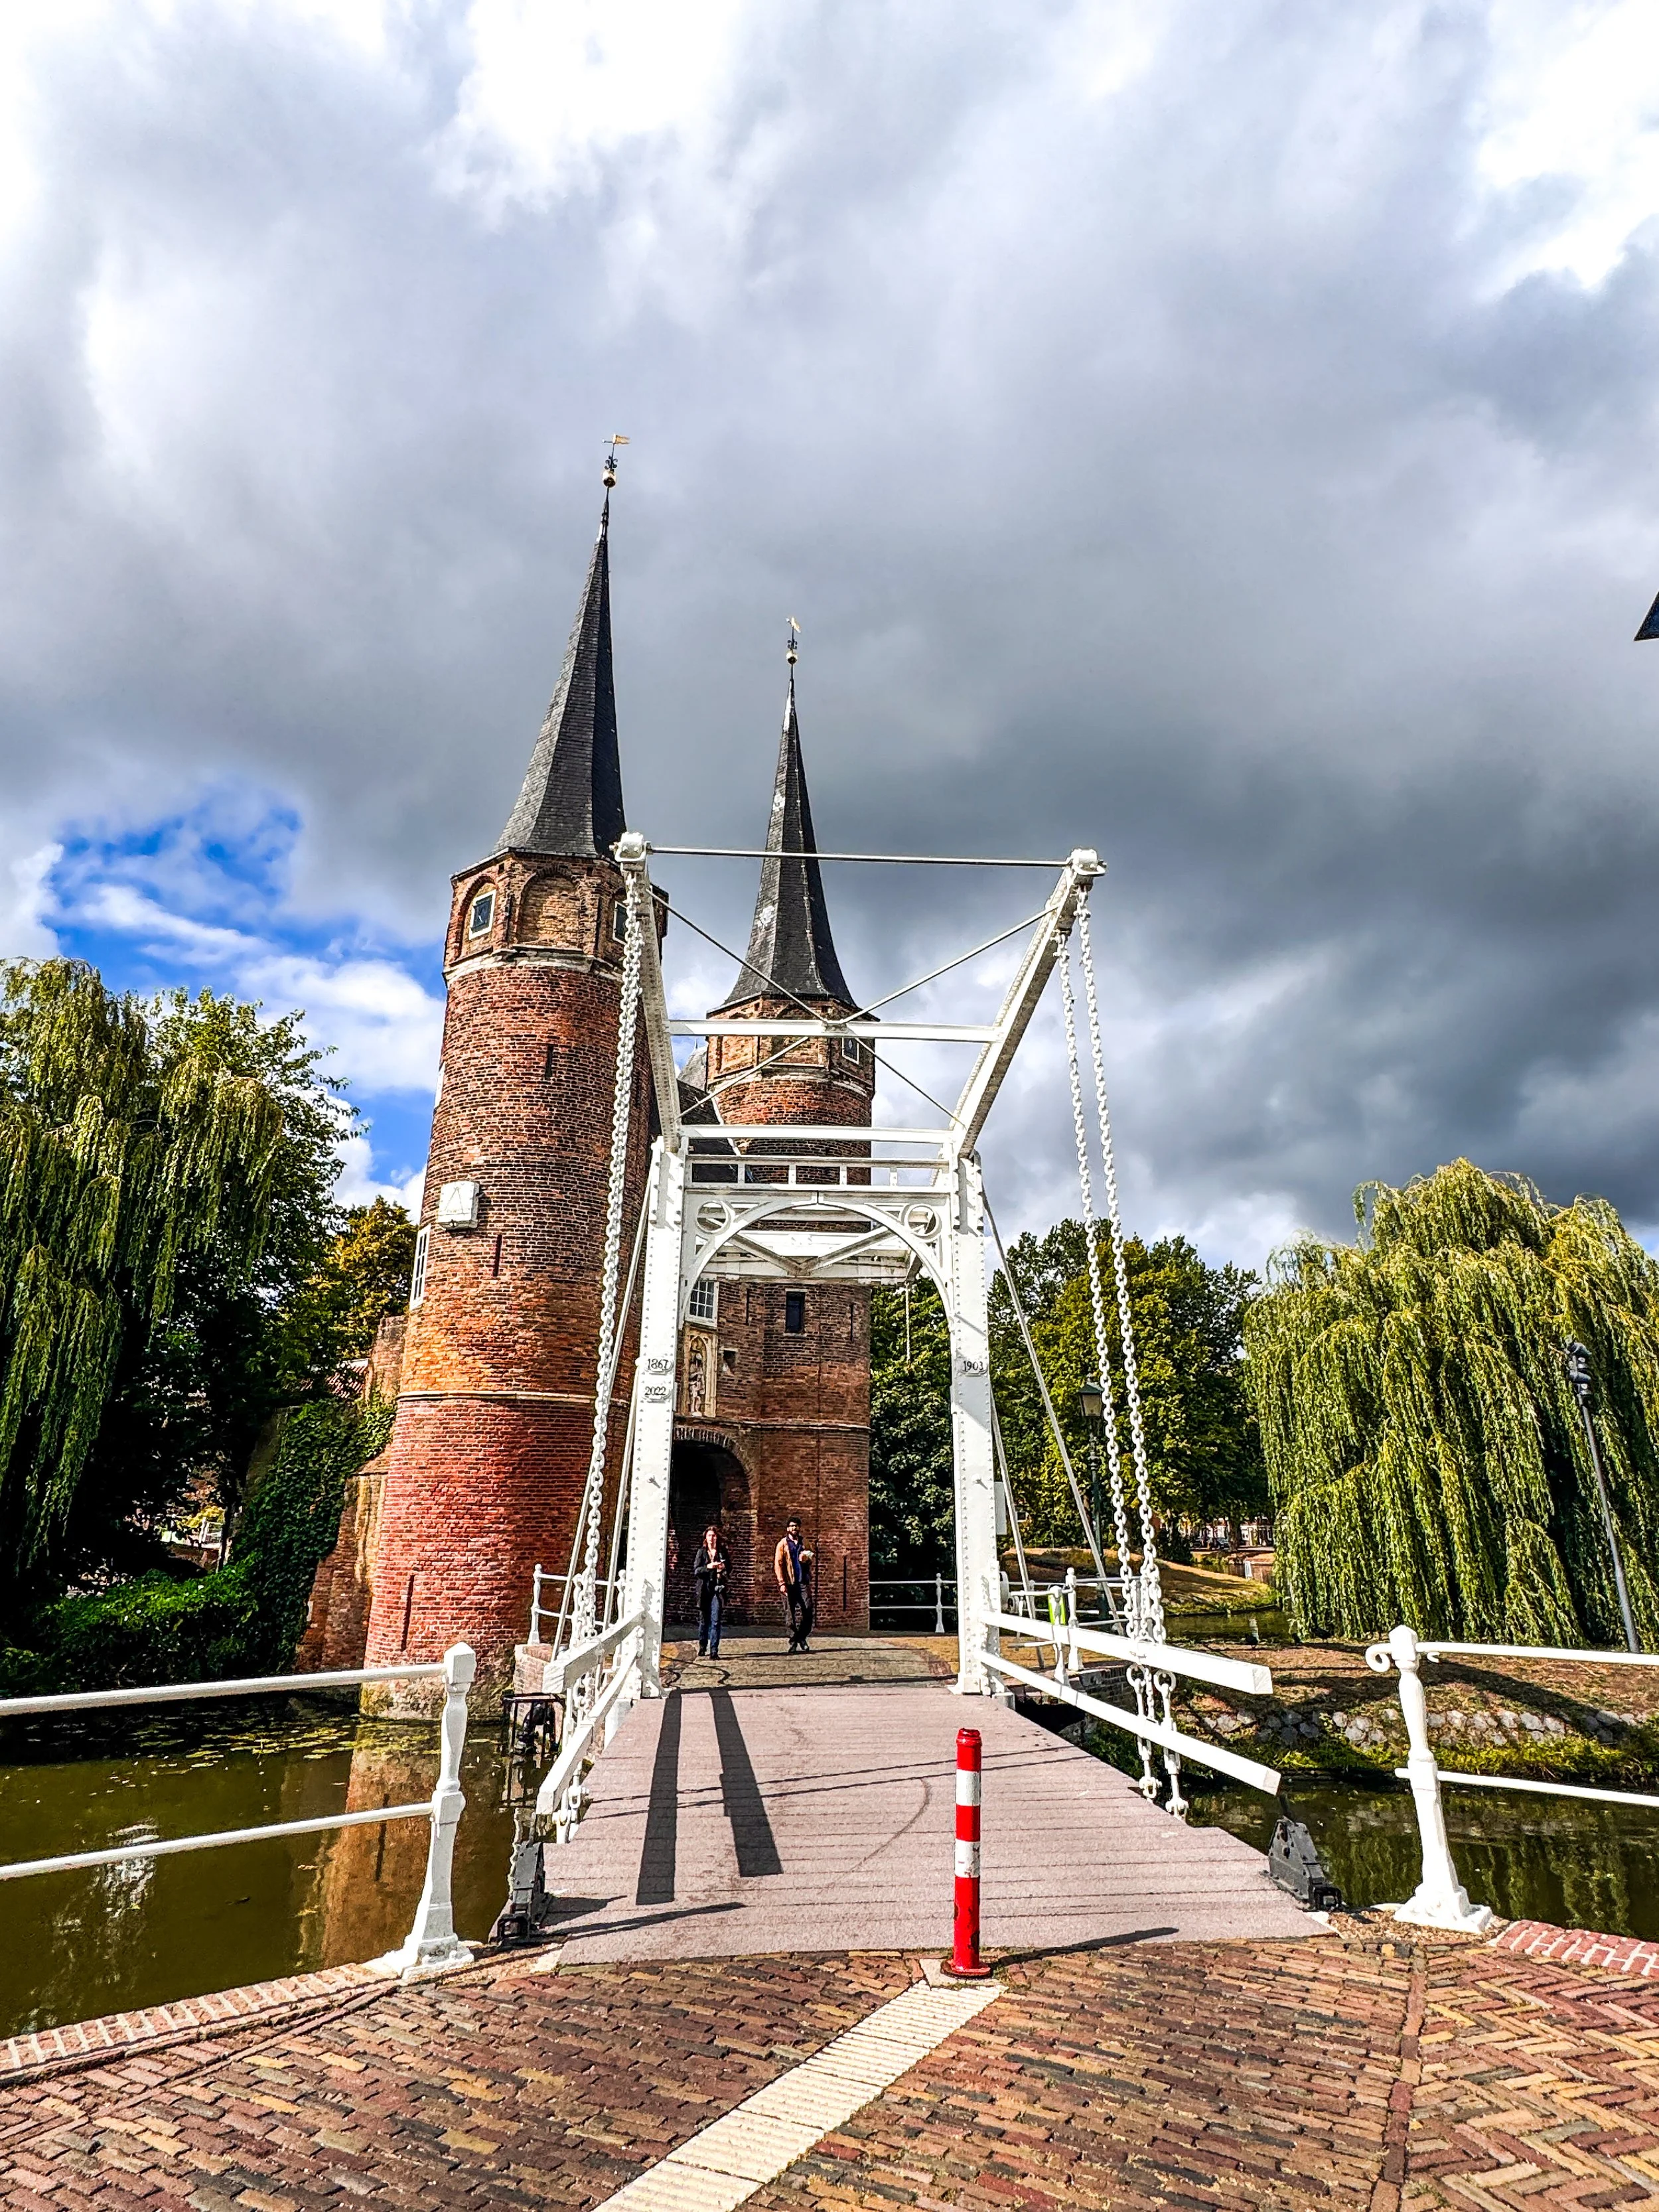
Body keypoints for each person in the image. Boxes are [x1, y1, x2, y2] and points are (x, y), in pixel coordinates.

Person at [774, 1516, 815, 1654]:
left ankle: (801, 1637)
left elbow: (811, 1559)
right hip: (789, 1583)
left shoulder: (805, 1543)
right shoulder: (782, 1545)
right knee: (790, 1615)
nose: (794, 1528)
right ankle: (793, 1641)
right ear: (788, 1528)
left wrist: (806, 1559)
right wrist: (781, 1583)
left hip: (802, 1582)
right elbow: (778, 1565)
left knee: (808, 1610)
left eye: (796, 1526)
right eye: (792, 1526)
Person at [693, 1524, 728, 1659]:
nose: (712, 1538)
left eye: (714, 1536)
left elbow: (729, 1568)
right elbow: (697, 1571)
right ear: (706, 1538)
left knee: (716, 1620)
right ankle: (703, 1646)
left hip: (717, 1590)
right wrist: (709, 1567)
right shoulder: (701, 1552)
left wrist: (723, 1567)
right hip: (704, 1590)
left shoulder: (722, 1552)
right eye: (709, 1536)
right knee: (704, 1621)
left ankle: (714, 1651)